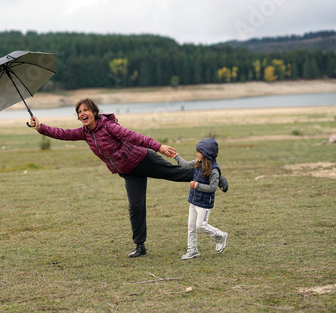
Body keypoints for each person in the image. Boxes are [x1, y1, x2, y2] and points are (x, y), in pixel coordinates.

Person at [29, 98, 228, 258]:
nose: (82, 114)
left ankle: (214, 176)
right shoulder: (85, 134)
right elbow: (62, 133)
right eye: (79, 112)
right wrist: (40, 127)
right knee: (135, 206)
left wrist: (158, 147)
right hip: (129, 172)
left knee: (176, 174)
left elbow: (134, 136)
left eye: (85, 110)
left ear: (94, 112)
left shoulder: (108, 127)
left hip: (142, 159)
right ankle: (140, 246)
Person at [173, 137, 228, 260]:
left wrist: (197, 185)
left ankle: (220, 235)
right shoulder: (199, 162)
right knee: (191, 226)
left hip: (204, 202)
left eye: (199, 152)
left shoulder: (214, 170)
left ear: (206, 153)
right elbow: (186, 165)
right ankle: (192, 250)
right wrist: (176, 156)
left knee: (201, 225)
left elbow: (213, 187)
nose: (197, 154)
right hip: (193, 199)